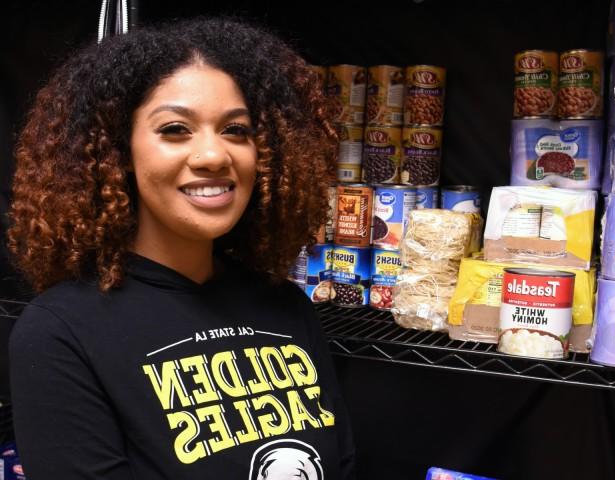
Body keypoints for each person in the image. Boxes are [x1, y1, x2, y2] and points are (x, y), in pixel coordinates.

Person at [7, 17, 355, 479]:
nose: (214, 155)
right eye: (175, 129)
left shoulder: (283, 305)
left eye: (236, 130)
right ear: (119, 154)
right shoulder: (61, 334)